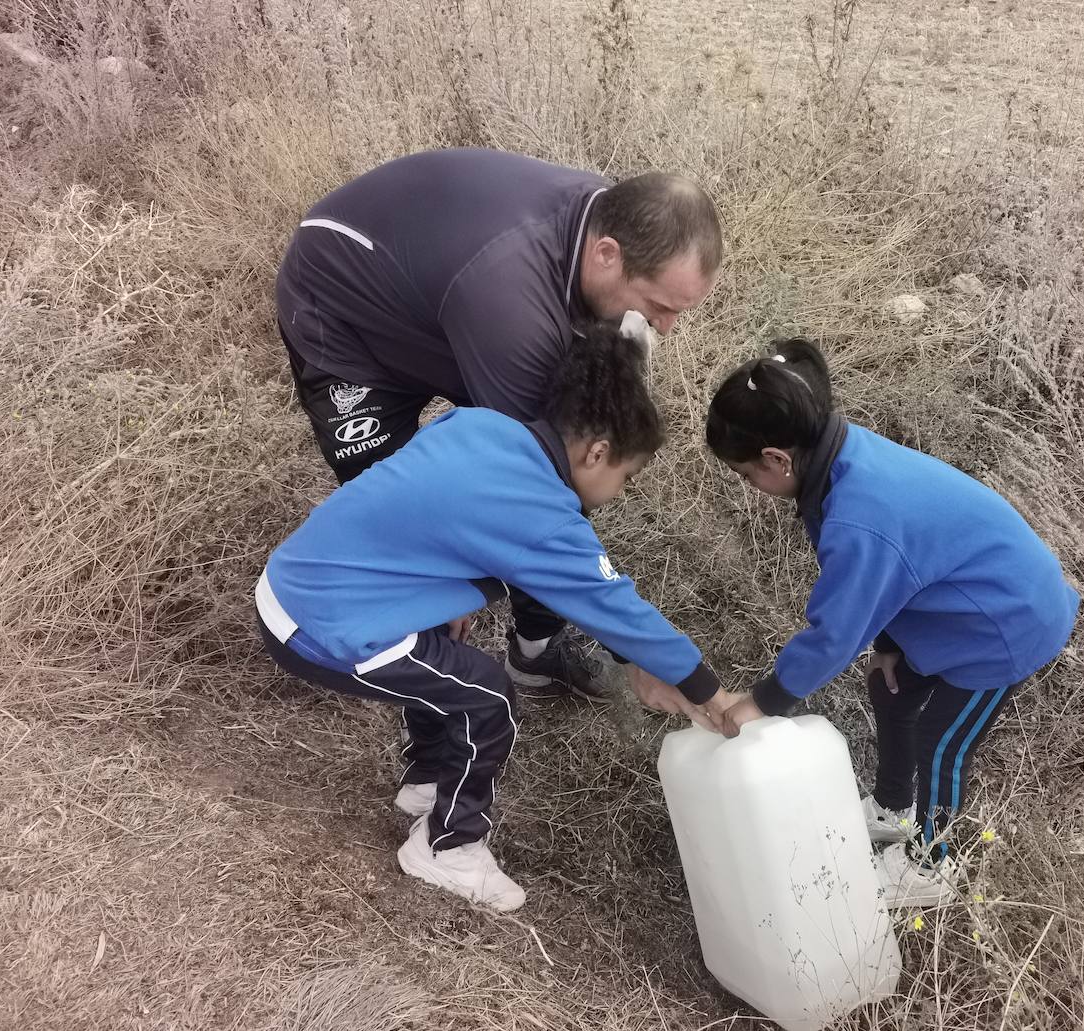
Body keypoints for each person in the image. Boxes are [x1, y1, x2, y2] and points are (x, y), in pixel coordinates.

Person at [254, 323, 731, 912]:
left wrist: (448, 598)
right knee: (487, 696)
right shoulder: (543, 511)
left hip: (293, 583)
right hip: (323, 624)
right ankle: (448, 845)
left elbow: (420, 510)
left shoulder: (484, 425)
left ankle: (427, 781)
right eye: (625, 477)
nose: (621, 492)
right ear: (597, 452)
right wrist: (704, 688)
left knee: (440, 653)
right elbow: (614, 605)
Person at [275, 148, 723, 701]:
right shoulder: (513, 310)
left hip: (439, 300)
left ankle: (530, 650)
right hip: (344, 311)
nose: (667, 327)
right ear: (607, 255)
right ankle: (433, 664)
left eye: (680, 311)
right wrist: (634, 645)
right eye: (659, 305)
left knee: (521, 458)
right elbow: (532, 500)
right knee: (420, 494)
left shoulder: (606, 224)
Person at [704, 339, 1079, 909]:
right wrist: (889, 642)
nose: (750, 488)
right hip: (958, 601)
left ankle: (931, 866)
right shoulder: (838, 459)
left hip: (1006, 624)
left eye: (746, 475)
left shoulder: (859, 515)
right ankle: (892, 810)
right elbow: (898, 570)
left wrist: (762, 701)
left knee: (942, 744)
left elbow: (835, 633)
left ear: (778, 460)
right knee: (891, 685)